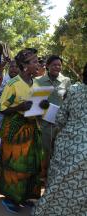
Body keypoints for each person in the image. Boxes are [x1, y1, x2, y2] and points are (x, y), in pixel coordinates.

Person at [31, 63, 87, 216]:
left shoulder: (74, 89)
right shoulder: (41, 81)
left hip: (68, 144)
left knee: (57, 181)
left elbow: (61, 118)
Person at [0, 48, 44, 213]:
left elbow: (37, 105)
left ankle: (25, 196)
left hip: (32, 128)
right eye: (34, 62)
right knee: (15, 164)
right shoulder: (13, 84)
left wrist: (43, 106)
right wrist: (20, 106)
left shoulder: (36, 83)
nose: (38, 64)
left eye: (37, 61)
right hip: (15, 131)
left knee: (31, 164)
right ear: (25, 66)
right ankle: (11, 199)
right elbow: (2, 108)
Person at [34, 55, 71, 172]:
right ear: (47, 66)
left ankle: (54, 176)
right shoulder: (38, 81)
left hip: (60, 123)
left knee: (59, 151)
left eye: (59, 65)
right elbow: (34, 102)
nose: (57, 67)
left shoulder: (66, 81)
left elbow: (68, 100)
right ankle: (43, 175)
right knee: (45, 151)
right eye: (54, 65)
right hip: (43, 122)